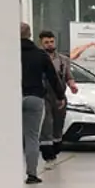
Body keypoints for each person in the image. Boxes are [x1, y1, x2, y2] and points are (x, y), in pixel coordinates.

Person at [21, 22, 64, 184]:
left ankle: (6, 173)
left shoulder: (9, 54)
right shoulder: (40, 55)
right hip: (35, 98)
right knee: (32, 137)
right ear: (30, 35)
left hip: (13, 98)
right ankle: (31, 174)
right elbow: (53, 77)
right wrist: (60, 96)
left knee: (9, 136)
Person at [38, 30, 77, 161]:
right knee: (47, 123)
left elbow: (68, 76)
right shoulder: (38, 58)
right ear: (41, 43)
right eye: (46, 42)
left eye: (51, 41)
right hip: (44, 96)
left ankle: (56, 147)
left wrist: (72, 85)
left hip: (59, 96)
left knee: (58, 124)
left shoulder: (63, 60)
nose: (50, 44)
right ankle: (47, 154)